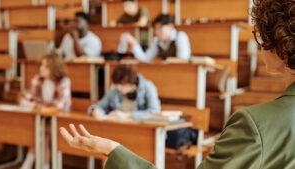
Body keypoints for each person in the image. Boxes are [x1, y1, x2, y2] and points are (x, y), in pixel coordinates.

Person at [60, 0, 295, 168]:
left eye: (261, 37)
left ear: (282, 47)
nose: (259, 45)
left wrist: (111, 150)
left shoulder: (253, 125)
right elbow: (145, 58)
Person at [20, 53, 71, 169]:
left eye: (45, 66)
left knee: (42, 132)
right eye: (41, 65)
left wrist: (37, 105)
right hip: (42, 117)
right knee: (41, 131)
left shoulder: (64, 81)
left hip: (59, 119)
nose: (41, 68)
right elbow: (24, 100)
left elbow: (59, 105)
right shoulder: (38, 79)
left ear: (54, 68)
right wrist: (41, 107)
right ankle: (43, 166)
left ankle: (28, 164)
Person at [88, 64, 160, 120]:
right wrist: (95, 110)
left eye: (122, 85)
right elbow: (99, 106)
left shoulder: (148, 87)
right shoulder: (115, 89)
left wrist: (127, 115)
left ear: (132, 82)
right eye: (117, 84)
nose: (119, 87)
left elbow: (155, 112)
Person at [118, 14, 191, 62]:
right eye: (155, 29)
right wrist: (134, 43)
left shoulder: (181, 36)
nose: (157, 32)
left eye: (160, 28)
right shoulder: (156, 41)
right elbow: (146, 59)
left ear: (170, 26)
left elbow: (183, 60)